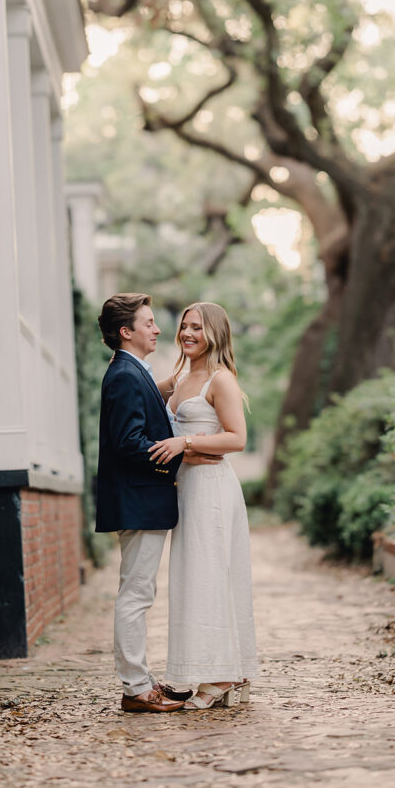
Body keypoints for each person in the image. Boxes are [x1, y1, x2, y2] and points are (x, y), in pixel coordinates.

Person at [95, 293, 220, 713]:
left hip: (140, 500)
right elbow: (129, 443)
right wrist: (182, 453)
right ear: (126, 332)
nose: (159, 329)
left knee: (138, 592)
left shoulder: (135, 371)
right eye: (149, 323)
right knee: (136, 594)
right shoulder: (126, 374)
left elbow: (151, 405)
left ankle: (141, 681)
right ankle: (135, 688)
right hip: (137, 500)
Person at [149, 301, 259, 710]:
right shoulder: (178, 379)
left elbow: (236, 439)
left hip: (213, 489)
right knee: (193, 578)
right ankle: (212, 670)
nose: (187, 333)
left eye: (197, 327)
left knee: (211, 576)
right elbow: (137, 391)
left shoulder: (220, 379)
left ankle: (223, 675)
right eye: (183, 326)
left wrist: (186, 442)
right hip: (186, 487)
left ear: (214, 333)